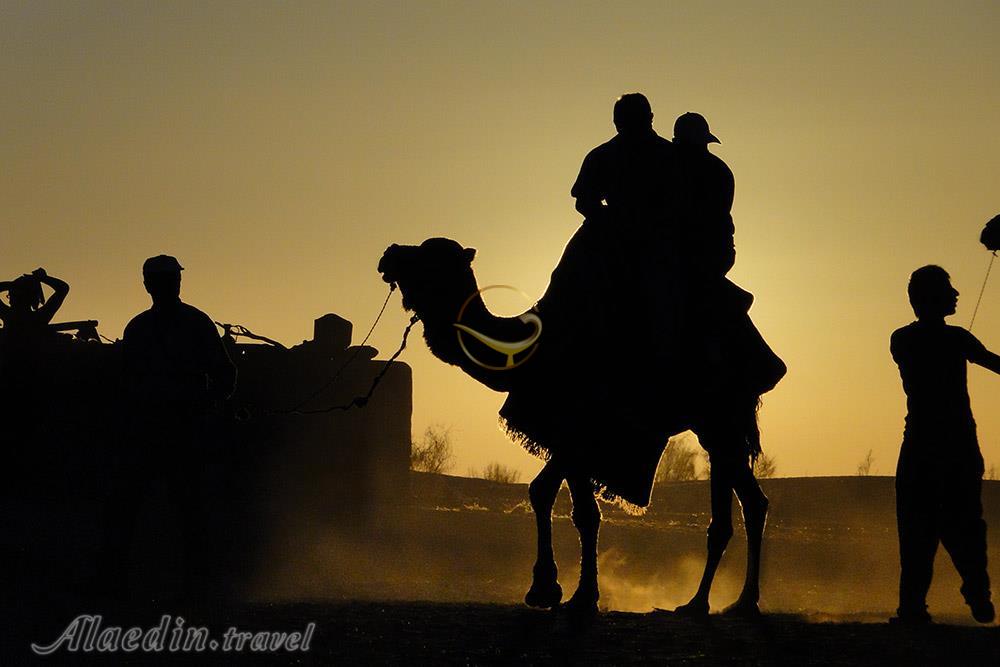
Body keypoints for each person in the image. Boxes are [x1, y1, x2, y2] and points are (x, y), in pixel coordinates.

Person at [97, 254, 236, 598]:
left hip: (156, 427)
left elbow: (123, 381)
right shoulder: (194, 322)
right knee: (188, 507)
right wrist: (213, 403)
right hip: (176, 426)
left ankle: (118, 583)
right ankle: (196, 583)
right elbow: (225, 372)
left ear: (147, 284)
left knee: (132, 507)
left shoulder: (139, 327)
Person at [890, 265, 997, 624]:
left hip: (920, 447)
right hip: (958, 448)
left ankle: (913, 608)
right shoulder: (956, 340)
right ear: (932, 297)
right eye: (948, 289)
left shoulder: (902, 339)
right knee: (965, 523)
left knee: (916, 530)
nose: (956, 295)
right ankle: (975, 591)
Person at [571, 93, 675, 226]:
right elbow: (584, 201)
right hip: (616, 234)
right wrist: (614, 222)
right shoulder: (602, 157)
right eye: (628, 121)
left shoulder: (672, 155)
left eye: (636, 120)